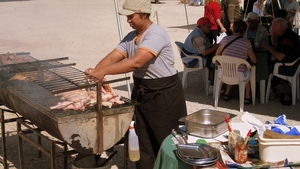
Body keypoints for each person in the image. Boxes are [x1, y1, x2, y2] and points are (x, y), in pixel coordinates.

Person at [84, 0, 187, 168]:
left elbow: (136, 62)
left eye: (131, 17)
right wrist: (96, 71)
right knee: (142, 139)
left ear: (143, 14)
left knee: (166, 140)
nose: (128, 21)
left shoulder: (156, 34)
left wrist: (104, 72)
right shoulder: (132, 37)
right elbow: (113, 57)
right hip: (143, 92)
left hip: (164, 95)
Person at [215, 19, 257, 104]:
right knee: (249, 71)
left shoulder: (225, 40)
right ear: (245, 30)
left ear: (233, 29)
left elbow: (217, 54)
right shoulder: (246, 43)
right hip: (239, 75)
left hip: (223, 73)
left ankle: (226, 93)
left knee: (231, 66)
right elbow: (254, 60)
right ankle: (247, 97)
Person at [182, 17, 220, 92]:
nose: (210, 28)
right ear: (202, 26)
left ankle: (210, 81)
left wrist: (217, 45)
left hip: (192, 56)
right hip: (193, 60)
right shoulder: (198, 37)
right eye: (208, 26)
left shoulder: (199, 32)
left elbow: (205, 46)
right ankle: (212, 86)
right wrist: (217, 47)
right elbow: (204, 52)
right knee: (216, 63)